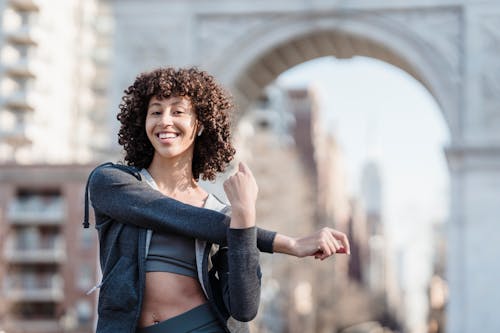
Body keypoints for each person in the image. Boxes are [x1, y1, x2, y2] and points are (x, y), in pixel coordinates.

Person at [83, 67, 350, 333]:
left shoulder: (219, 212)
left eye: (178, 111)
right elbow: (175, 215)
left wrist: (245, 218)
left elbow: (244, 308)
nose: (165, 121)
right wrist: (288, 243)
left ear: (199, 124)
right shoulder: (111, 182)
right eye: (156, 112)